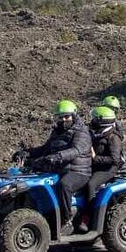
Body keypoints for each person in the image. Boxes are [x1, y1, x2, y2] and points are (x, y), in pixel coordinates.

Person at [17, 100, 92, 236]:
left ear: (74, 115)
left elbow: (76, 150)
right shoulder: (57, 132)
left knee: (64, 185)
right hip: (59, 169)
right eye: (60, 117)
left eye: (66, 116)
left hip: (78, 171)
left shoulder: (81, 132)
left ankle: (67, 220)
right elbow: (45, 148)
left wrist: (57, 156)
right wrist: (27, 152)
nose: (63, 119)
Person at [79, 106, 123, 233]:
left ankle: (87, 217)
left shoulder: (113, 138)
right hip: (93, 166)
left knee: (91, 184)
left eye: (95, 119)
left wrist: (95, 158)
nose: (92, 121)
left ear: (102, 121)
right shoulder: (95, 134)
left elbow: (115, 160)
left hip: (108, 169)